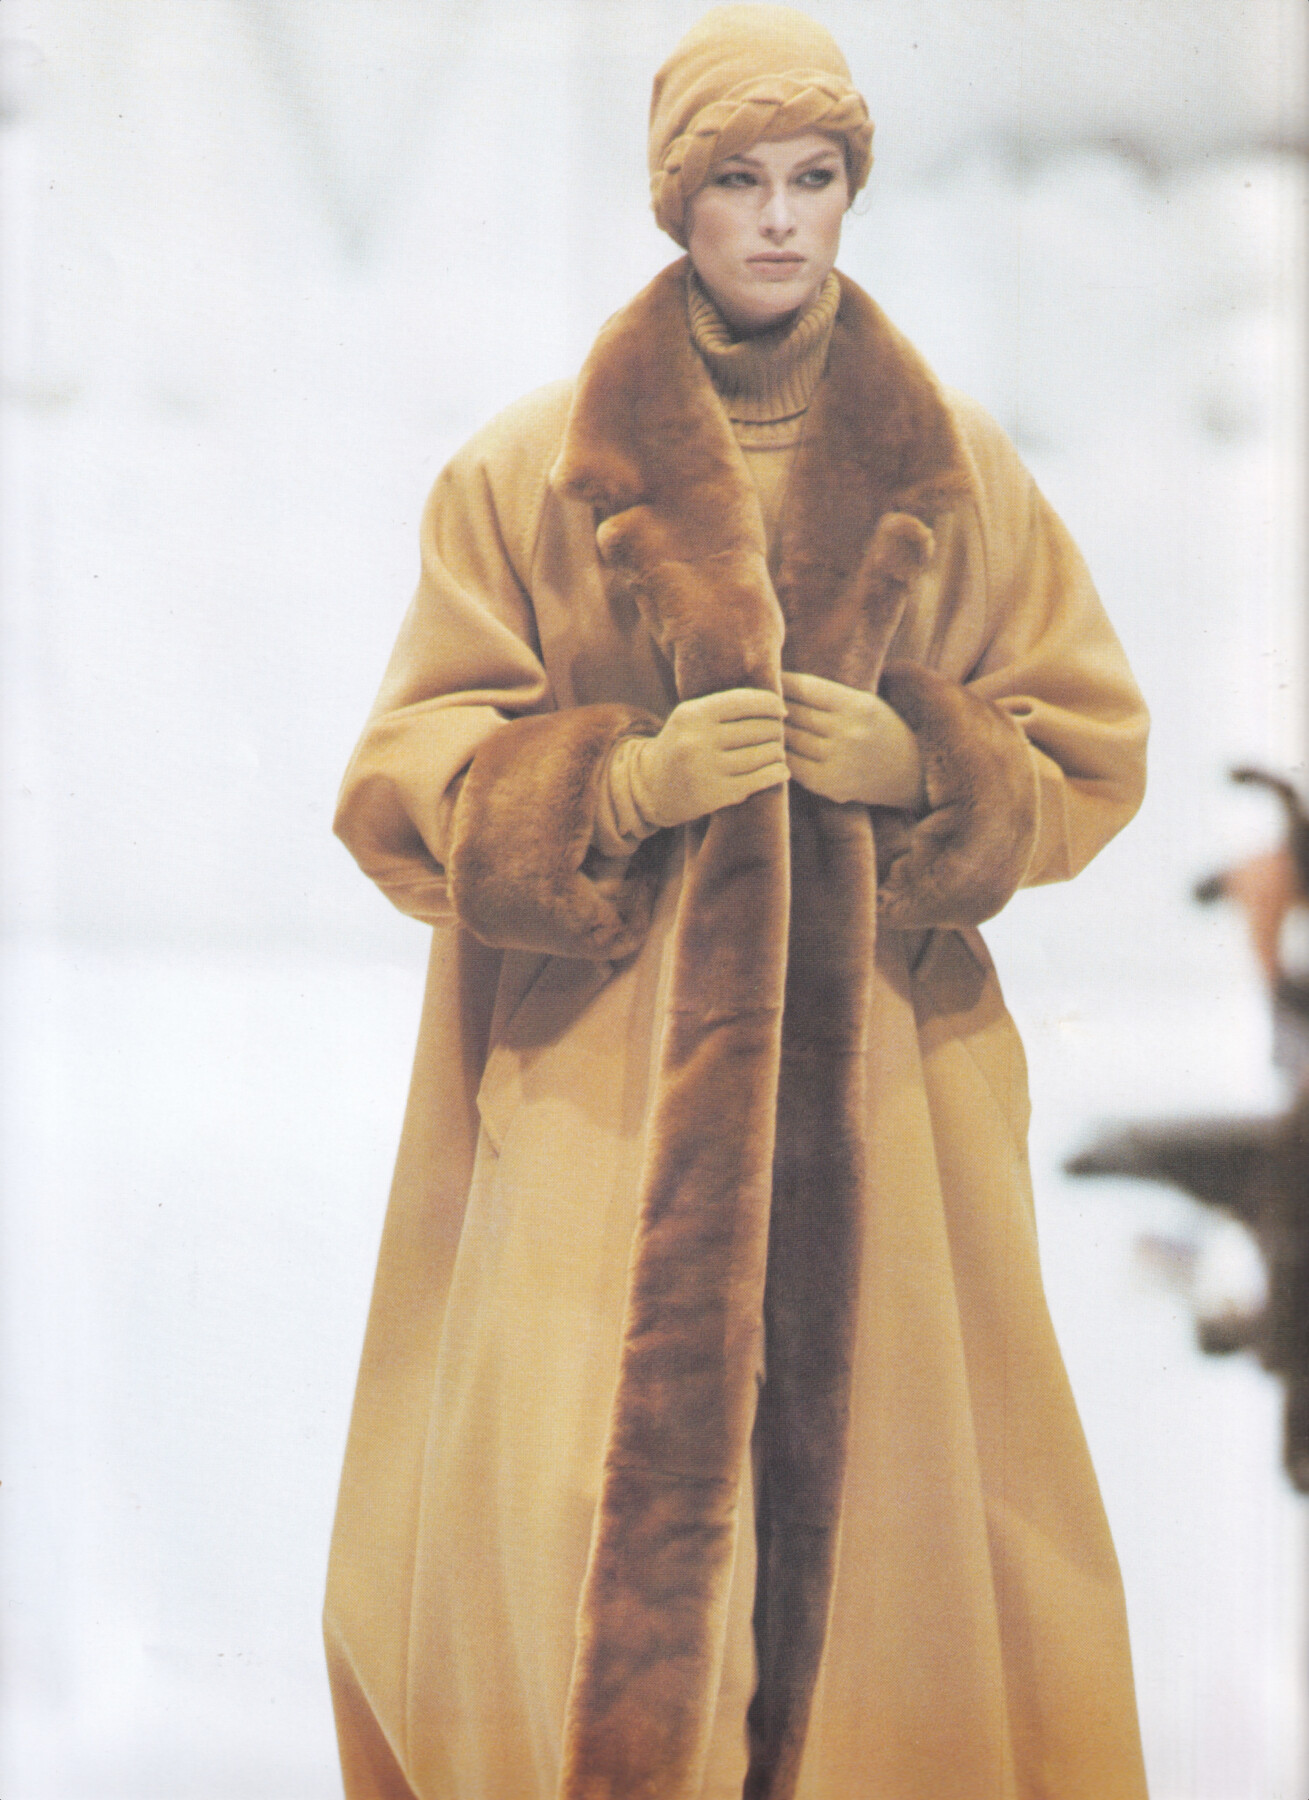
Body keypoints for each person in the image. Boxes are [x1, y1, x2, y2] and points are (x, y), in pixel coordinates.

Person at [324, 7, 1151, 1798]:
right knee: (568, 1511)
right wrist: (618, 784)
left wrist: (923, 764)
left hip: (884, 1100)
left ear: (853, 191)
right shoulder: (528, 471)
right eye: (736, 182)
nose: (778, 219)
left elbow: (1086, 748)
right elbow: (401, 784)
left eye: (813, 176)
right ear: (674, 203)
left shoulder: (957, 473)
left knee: (894, 1550)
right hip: (606, 1098)